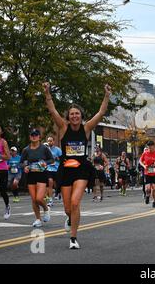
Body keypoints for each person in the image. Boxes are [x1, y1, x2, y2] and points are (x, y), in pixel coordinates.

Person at [43, 82, 112, 249]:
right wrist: (47, 93)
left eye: (77, 114)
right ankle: (70, 218)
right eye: (72, 114)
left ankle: (73, 238)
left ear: (81, 116)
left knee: (75, 203)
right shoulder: (63, 127)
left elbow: (101, 112)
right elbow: (52, 111)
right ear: (68, 116)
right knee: (68, 208)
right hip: (66, 170)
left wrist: (107, 95)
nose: (75, 116)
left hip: (81, 169)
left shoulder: (87, 128)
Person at [21, 129, 54, 227]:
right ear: (30, 137)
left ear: (39, 137)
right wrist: (25, 167)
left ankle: (46, 208)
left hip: (42, 174)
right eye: (32, 135)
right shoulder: (26, 150)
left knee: (39, 198)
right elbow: (21, 162)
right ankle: (38, 219)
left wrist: (45, 163)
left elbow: (51, 159)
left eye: (36, 135)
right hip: (31, 175)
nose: (34, 136)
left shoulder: (44, 148)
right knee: (34, 199)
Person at [139, 141, 155, 208]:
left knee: (154, 188)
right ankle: (147, 196)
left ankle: (154, 201)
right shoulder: (145, 153)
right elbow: (140, 161)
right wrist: (144, 166)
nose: (149, 148)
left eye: (151, 146)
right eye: (148, 146)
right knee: (148, 189)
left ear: (153, 146)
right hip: (147, 173)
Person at [45, 136, 62, 205]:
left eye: (51, 141)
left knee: (58, 184)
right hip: (49, 168)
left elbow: (62, 159)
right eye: (48, 141)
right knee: (50, 182)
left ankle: (59, 194)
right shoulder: (46, 150)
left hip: (57, 168)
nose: (49, 142)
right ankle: (50, 200)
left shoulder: (58, 150)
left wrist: (57, 158)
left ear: (53, 142)